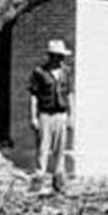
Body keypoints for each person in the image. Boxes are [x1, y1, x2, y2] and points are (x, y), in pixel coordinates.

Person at [28, 39, 73, 194]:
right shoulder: (39, 72)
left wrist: (71, 115)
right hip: (45, 114)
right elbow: (34, 96)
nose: (60, 59)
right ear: (51, 56)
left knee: (60, 149)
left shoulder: (66, 72)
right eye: (57, 56)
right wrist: (33, 117)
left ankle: (58, 181)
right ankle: (38, 180)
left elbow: (69, 94)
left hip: (61, 114)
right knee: (43, 148)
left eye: (62, 56)